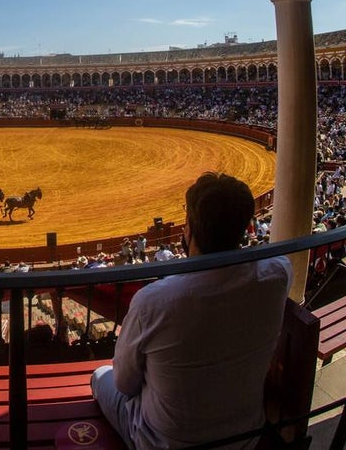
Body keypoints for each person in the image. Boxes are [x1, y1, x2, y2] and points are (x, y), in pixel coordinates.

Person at [91, 172, 292, 450]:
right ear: (247, 228)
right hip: (245, 436)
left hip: (162, 442)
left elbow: (125, 383)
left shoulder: (154, 301)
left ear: (189, 230)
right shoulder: (279, 273)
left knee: (100, 375)